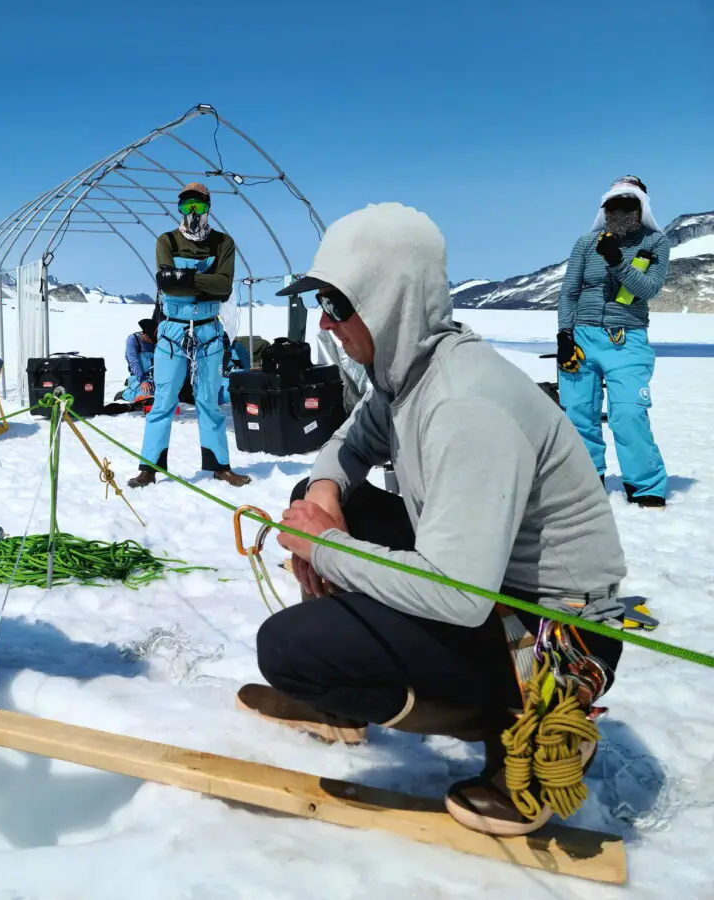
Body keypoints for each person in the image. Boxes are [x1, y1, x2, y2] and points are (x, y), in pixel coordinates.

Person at [240, 203, 628, 836]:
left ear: (391, 300)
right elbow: (346, 446)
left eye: (339, 304)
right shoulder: (407, 378)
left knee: (288, 649)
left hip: (551, 632)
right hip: (494, 589)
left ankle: (522, 720)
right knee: (352, 506)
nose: (325, 322)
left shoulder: (464, 407)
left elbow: (456, 593)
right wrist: (328, 494)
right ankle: (352, 684)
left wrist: (327, 546)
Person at [556, 176, 671, 507]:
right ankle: (586, 481)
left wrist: (617, 261)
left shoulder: (656, 243)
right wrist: (564, 335)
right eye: (613, 204)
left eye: (628, 204)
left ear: (641, 207)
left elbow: (647, 290)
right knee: (579, 412)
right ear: (604, 208)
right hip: (582, 337)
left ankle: (646, 484)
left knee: (628, 413)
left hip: (627, 340)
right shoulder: (584, 243)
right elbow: (569, 292)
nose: (619, 210)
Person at [129, 183, 250, 488]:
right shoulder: (166, 240)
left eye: (198, 206)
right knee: (164, 400)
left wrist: (185, 280)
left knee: (209, 401)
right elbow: (167, 285)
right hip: (172, 333)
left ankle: (219, 465)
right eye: (186, 207)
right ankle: (149, 467)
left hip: (208, 331)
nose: (192, 213)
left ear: (208, 207)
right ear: (179, 208)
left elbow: (224, 287)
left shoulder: (224, 243)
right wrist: (204, 281)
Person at [121, 318, 157, 404]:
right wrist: (142, 381)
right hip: (139, 377)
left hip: (154, 378)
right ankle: (125, 393)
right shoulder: (133, 340)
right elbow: (133, 362)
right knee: (145, 395)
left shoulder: (157, 341)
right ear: (145, 335)